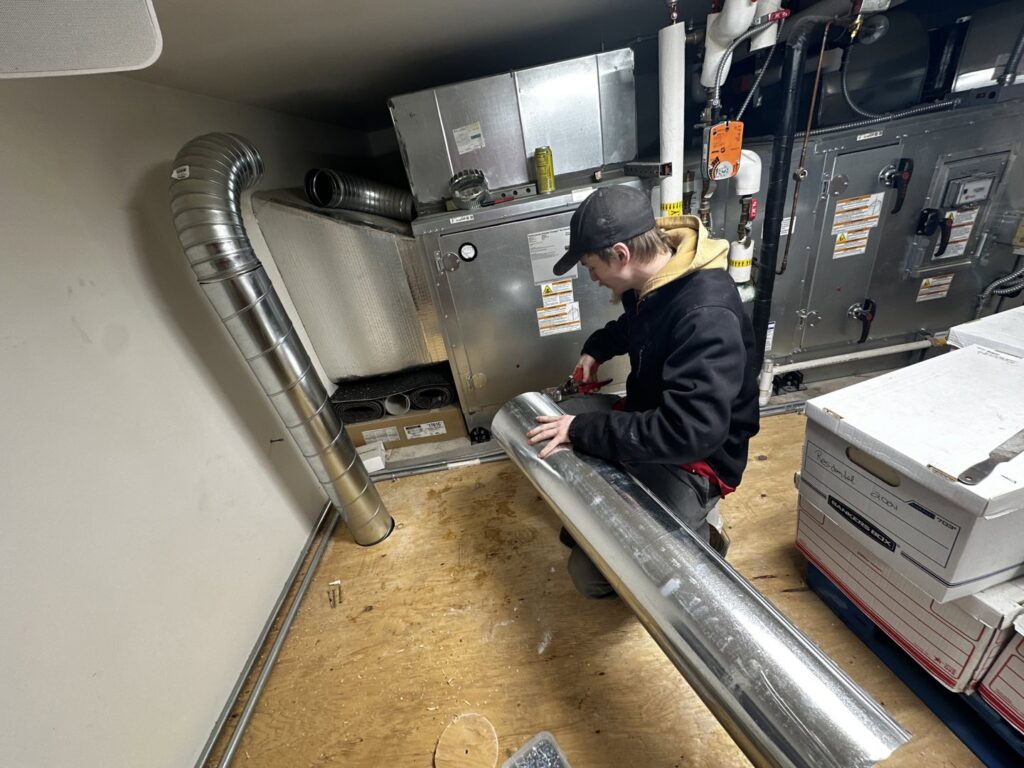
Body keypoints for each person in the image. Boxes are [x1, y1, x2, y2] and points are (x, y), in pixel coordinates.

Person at [525, 184, 760, 598]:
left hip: (694, 460)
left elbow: (689, 434)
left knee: (592, 578)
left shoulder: (705, 313)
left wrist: (582, 430)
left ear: (621, 254)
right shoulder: (657, 280)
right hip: (647, 416)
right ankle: (614, 508)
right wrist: (596, 350)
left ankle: (702, 537)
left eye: (592, 267)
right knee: (550, 418)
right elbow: (637, 324)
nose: (593, 278)